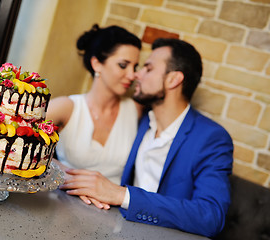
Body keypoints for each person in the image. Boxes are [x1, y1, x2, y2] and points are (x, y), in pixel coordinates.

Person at [60, 38, 234, 238]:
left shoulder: (211, 138)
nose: (137, 75)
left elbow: (211, 216)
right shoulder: (141, 121)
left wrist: (121, 195)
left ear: (173, 80)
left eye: (148, 69)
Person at [47, 24, 143, 208]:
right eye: (123, 65)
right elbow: (20, 144)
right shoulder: (67, 107)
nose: (132, 75)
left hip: (113, 213)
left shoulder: (136, 111)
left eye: (135, 66)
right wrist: (68, 174)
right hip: (63, 205)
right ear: (96, 63)